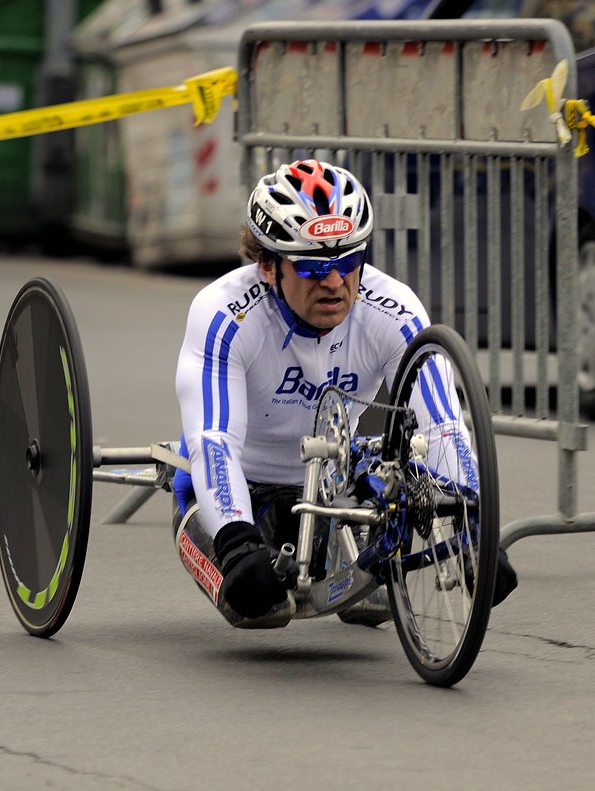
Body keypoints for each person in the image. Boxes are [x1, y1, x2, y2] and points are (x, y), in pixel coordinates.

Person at [172, 159, 517, 626]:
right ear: (269, 266)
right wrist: (235, 540)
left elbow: (442, 424)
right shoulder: (224, 315)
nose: (335, 282)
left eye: (349, 261)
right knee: (261, 608)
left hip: (334, 483)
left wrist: (475, 524)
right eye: (313, 267)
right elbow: (214, 441)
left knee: (372, 604)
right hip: (242, 486)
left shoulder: (392, 309)